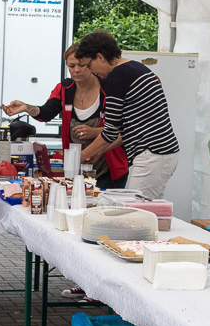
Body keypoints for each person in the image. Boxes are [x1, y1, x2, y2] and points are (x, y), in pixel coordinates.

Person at [2, 45, 129, 189]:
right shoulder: (64, 89)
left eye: (82, 65)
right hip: (75, 169)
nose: (76, 70)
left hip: (109, 169)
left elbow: (123, 127)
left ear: (90, 64)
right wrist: (26, 107)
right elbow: (46, 112)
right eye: (71, 66)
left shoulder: (108, 88)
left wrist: (94, 131)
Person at [75, 31, 180, 200]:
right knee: (152, 213)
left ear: (100, 57)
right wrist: (100, 150)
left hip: (151, 154)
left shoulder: (117, 77)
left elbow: (109, 131)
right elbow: (124, 132)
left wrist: (80, 156)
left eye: (88, 65)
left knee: (134, 211)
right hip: (162, 153)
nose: (91, 71)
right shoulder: (135, 68)